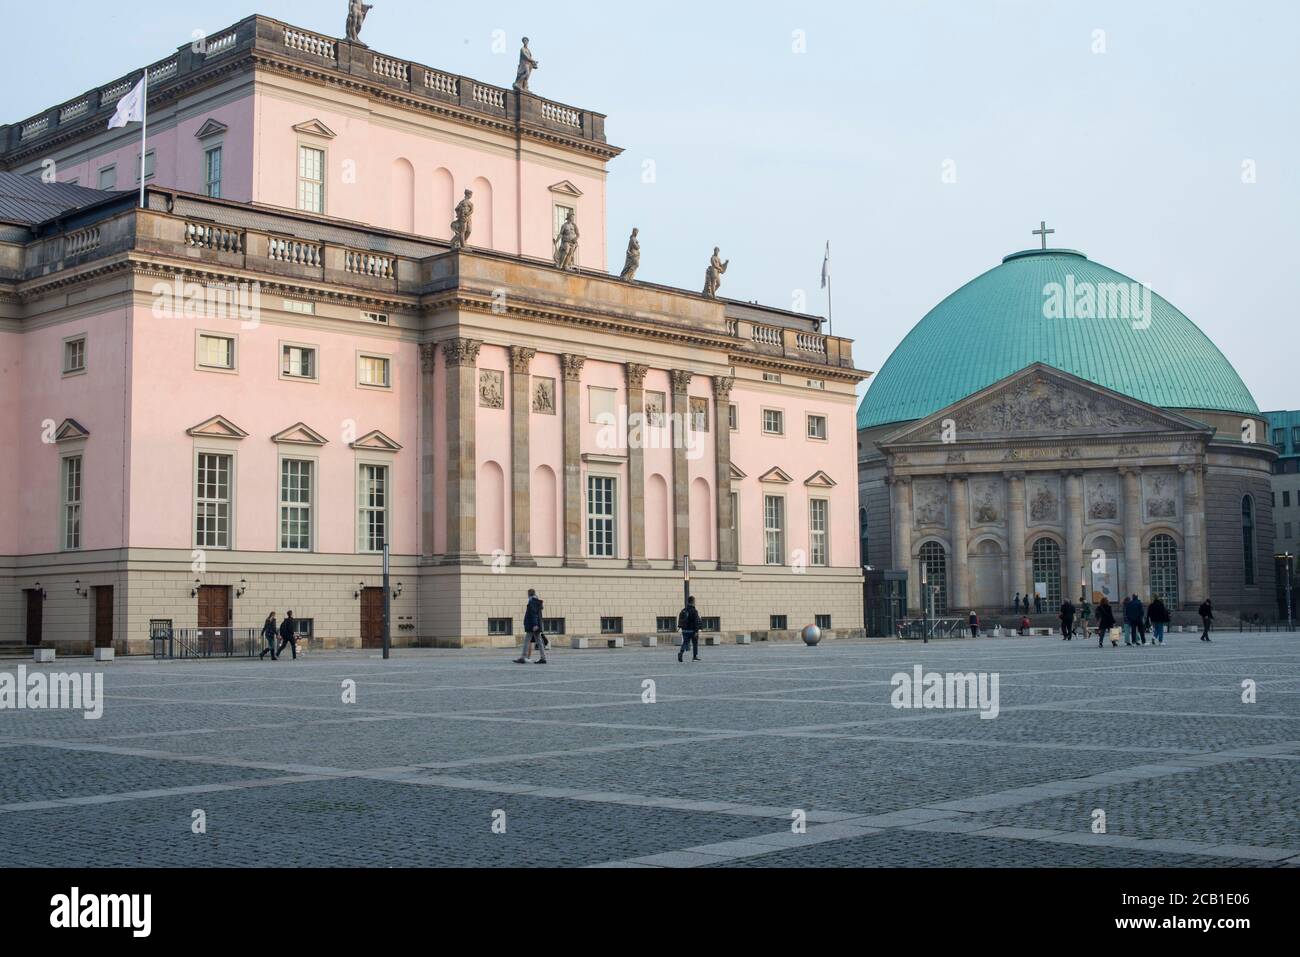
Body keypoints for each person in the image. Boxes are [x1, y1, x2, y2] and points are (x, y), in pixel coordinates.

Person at [514, 589, 548, 664]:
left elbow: (533, 614)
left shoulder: (532, 602)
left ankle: (523, 657)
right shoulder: (537, 602)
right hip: (536, 625)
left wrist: (535, 624)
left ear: (529, 594)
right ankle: (543, 658)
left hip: (532, 625)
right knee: (539, 641)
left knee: (527, 641)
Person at [678, 595, 702, 662]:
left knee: (685, 642)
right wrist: (696, 631)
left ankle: (681, 652)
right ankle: (694, 656)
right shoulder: (694, 611)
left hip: (684, 630)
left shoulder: (684, 610)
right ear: (693, 602)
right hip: (692, 630)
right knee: (695, 643)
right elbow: (696, 621)